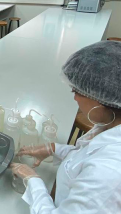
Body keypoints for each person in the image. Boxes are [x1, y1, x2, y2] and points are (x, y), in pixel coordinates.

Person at [11, 40, 121, 213]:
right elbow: (85, 157)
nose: (74, 98)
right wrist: (54, 148)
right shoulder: (109, 123)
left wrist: (33, 181)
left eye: (77, 91)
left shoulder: (107, 175)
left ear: (102, 99)